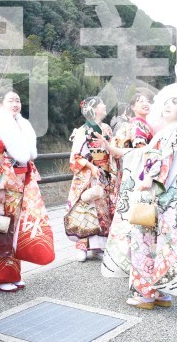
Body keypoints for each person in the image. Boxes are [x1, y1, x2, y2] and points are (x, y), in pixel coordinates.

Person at [100, 98, 177, 309]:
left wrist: (149, 177)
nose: (167, 106)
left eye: (173, 104)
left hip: (154, 191)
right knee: (159, 241)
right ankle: (160, 293)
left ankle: (145, 295)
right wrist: (112, 148)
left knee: (144, 240)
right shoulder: (171, 130)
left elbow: (161, 156)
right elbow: (142, 153)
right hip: (162, 192)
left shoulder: (173, 130)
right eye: (166, 103)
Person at [0, 91, 55, 292]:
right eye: (11, 100)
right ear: (1, 104)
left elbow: (26, 159)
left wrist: (29, 179)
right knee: (0, 229)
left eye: (18, 100)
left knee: (14, 230)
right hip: (4, 186)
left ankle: (13, 274)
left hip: (20, 184)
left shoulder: (21, 125)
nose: (15, 104)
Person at [65, 96, 114, 261]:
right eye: (102, 104)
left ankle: (98, 246)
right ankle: (82, 246)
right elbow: (76, 155)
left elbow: (111, 149)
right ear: (93, 109)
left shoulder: (106, 128)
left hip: (104, 172)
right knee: (86, 209)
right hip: (88, 174)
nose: (105, 106)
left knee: (102, 210)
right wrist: (92, 167)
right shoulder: (83, 130)